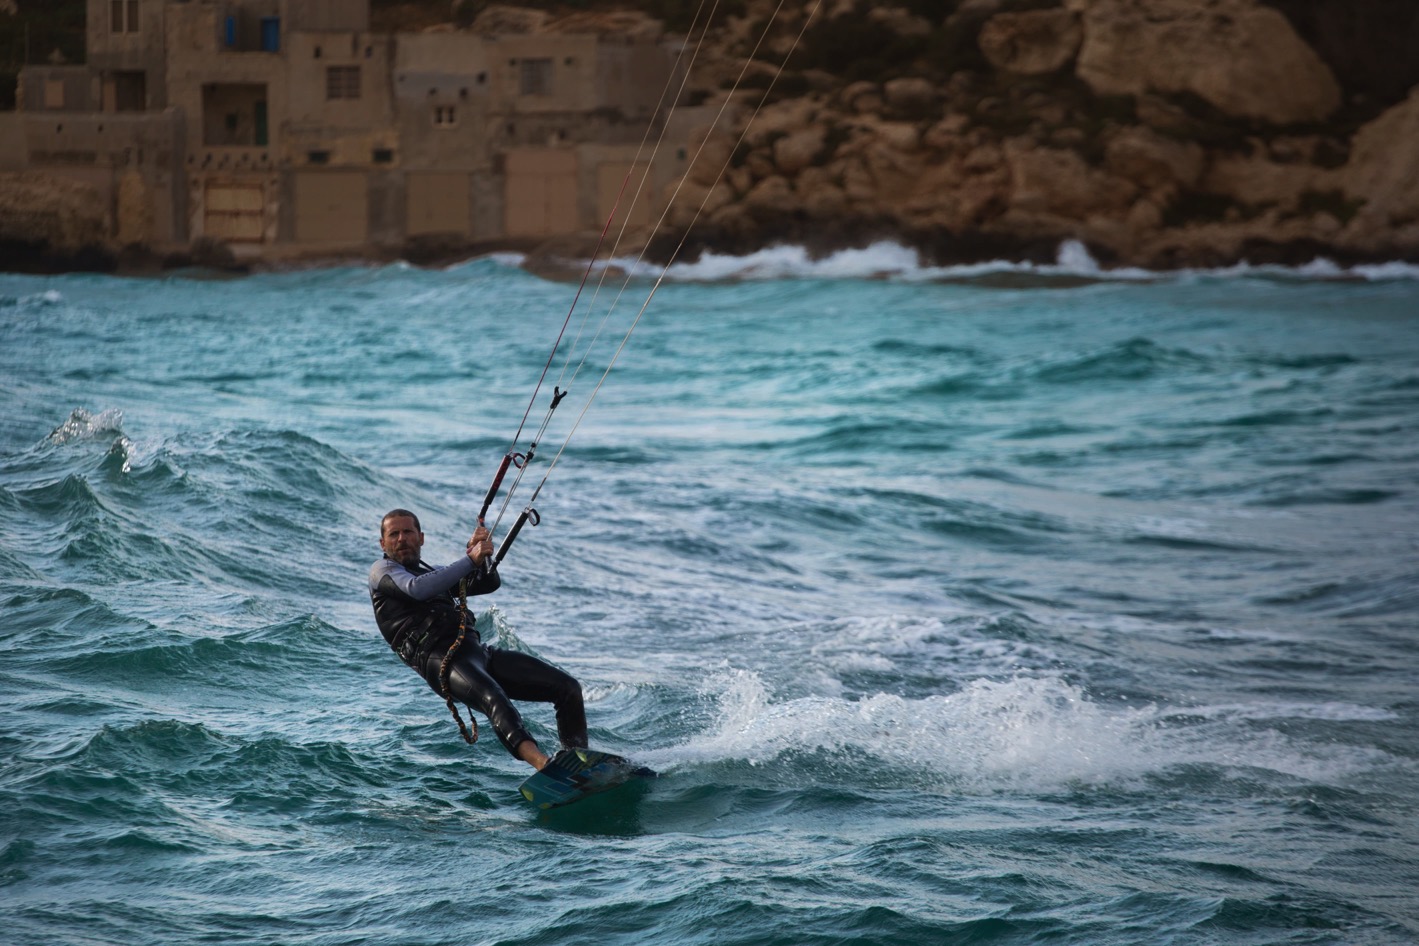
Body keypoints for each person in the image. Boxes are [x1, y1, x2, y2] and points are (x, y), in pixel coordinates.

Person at [368, 508, 586, 771]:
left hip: (478, 652)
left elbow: (488, 582)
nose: (401, 538)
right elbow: (417, 589)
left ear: (421, 538)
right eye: (394, 534)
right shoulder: (382, 572)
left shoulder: (433, 573)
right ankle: (546, 767)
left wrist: (480, 557)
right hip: (443, 663)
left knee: (567, 687)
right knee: (494, 698)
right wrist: (469, 560)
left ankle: (580, 760)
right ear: (383, 543)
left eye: (408, 532)